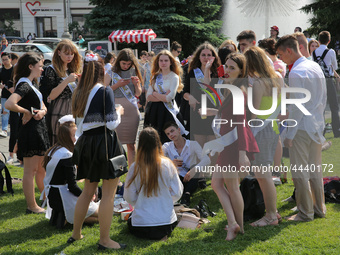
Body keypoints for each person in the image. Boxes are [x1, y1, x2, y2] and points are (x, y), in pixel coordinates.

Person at [69, 54, 126, 250]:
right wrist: (119, 111)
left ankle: (76, 234)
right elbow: (111, 123)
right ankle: (104, 240)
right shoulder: (105, 91)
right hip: (104, 143)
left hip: (86, 143)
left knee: (87, 191)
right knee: (108, 194)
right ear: (103, 72)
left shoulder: (78, 91)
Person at [202, 52, 259, 240]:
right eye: (226, 66)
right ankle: (235, 224)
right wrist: (212, 111)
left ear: (241, 72)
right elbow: (227, 114)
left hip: (234, 146)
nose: (227, 70)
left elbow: (241, 123)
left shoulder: (238, 93)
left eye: (232, 68)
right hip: (227, 145)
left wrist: (242, 155)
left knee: (231, 187)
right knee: (217, 184)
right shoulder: (231, 88)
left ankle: (236, 226)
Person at [276, 35, 327, 221]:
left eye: (281, 54)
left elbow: (297, 107)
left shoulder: (297, 72)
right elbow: (323, 98)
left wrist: (289, 133)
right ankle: (319, 209)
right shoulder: (314, 66)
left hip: (302, 127)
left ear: (289, 50)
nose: (281, 59)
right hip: (315, 125)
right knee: (315, 170)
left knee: (299, 172)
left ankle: (306, 213)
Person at [5, 52, 50, 214]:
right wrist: (26, 112)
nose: (42, 69)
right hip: (30, 131)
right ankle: (31, 206)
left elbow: (43, 104)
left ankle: (45, 198)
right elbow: (10, 104)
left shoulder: (32, 83)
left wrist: (42, 112)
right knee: (30, 171)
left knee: (41, 169)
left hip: (39, 129)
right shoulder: (24, 84)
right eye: (40, 66)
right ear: (30, 67)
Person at [244, 47, 283, 226]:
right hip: (273, 129)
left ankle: (271, 216)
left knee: (263, 175)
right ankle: (272, 212)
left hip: (261, 130)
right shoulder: (277, 79)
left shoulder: (259, 83)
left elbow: (254, 113)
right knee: (264, 174)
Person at [124, 127, 183, 240]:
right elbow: (177, 193)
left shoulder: (134, 167)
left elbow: (129, 197)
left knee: (131, 218)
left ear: (140, 145)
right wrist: (164, 202)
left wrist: (141, 203)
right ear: (158, 143)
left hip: (140, 226)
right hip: (167, 224)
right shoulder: (168, 164)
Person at [42, 115, 99, 226]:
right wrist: (86, 197)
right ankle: (68, 220)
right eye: (74, 135)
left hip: (52, 195)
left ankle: (62, 217)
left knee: (96, 211)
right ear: (66, 137)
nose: (76, 138)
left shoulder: (53, 150)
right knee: (100, 216)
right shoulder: (66, 155)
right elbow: (72, 186)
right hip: (62, 197)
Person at [104, 48, 142, 166]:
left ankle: (133, 171)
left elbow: (138, 93)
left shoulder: (134, 70)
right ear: (119, 61)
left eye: (128, 64)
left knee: (131, 143)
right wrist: (117, 85)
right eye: (123, 63)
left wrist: (136, 85)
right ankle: (117, 170)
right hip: (115, 109)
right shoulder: (111, 71)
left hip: (131, 110)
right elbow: (103, 90)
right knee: (115, 143)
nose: (126, 66)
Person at [40, 39, 82, 144]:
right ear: (59, 52)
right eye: (66, 54)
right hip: (59, 108)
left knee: (73, 140)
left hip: (73, 107)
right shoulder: (51, 69)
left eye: (72, 54)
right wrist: (67, 81)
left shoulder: (73, 69)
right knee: (59, 141)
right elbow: (51, 95)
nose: (69, 57)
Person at [182, 42, 221, 147]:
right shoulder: (192, 72)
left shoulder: (218, 73)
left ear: (214, 57)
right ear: (198, 57)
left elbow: (207, 87)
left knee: (213, 150)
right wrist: (190, 97)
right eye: (203, 55)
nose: (206, 57)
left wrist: (208, 69)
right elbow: (185, 92)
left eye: (209, 55)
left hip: (213, 111)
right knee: (199, 149)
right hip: (197, 112)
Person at [162, 121, 210, 206]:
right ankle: (186, 193)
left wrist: (194, 170)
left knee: (195, 168)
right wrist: (170, 163)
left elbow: (207, 159)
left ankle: (186, 195)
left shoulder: (193, 144)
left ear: (179, 130)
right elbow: (158, 161)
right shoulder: (167, 146)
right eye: (168, 134)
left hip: (191, 174)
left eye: (172, 131)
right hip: (177, 176)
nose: (171, 135)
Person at [144, 50, 187, 144]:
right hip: (154, 111)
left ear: (171, 62)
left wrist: (155, 94)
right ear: (158, 62)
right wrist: (162, 96)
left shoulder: (174, 77)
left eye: (166, 60)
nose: (163, 63)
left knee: (168, 140)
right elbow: (148, 97)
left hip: (168, 112)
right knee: (155, 140)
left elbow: (169, 98)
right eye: (161, 60)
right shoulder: (155, 77)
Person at [313, 31, 340, 138]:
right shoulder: (331, 51)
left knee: (320, 107)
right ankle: (336, 130)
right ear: (329, 41)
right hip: (328, 80)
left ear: (319, 40)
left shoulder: (314, 52)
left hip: (317, 82)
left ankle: (321, 130)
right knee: (334, 106)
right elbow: (335, 67)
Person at [0, 52, 14, 137]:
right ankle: (4, 130)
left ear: (10, 60)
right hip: (5, 94)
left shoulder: (15, 70)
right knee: (5, 112)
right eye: (3, 60)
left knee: (15, 114)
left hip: (15, 94)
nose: (4, 61)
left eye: (6, 59)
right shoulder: (1, 70)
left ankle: (16, 130)